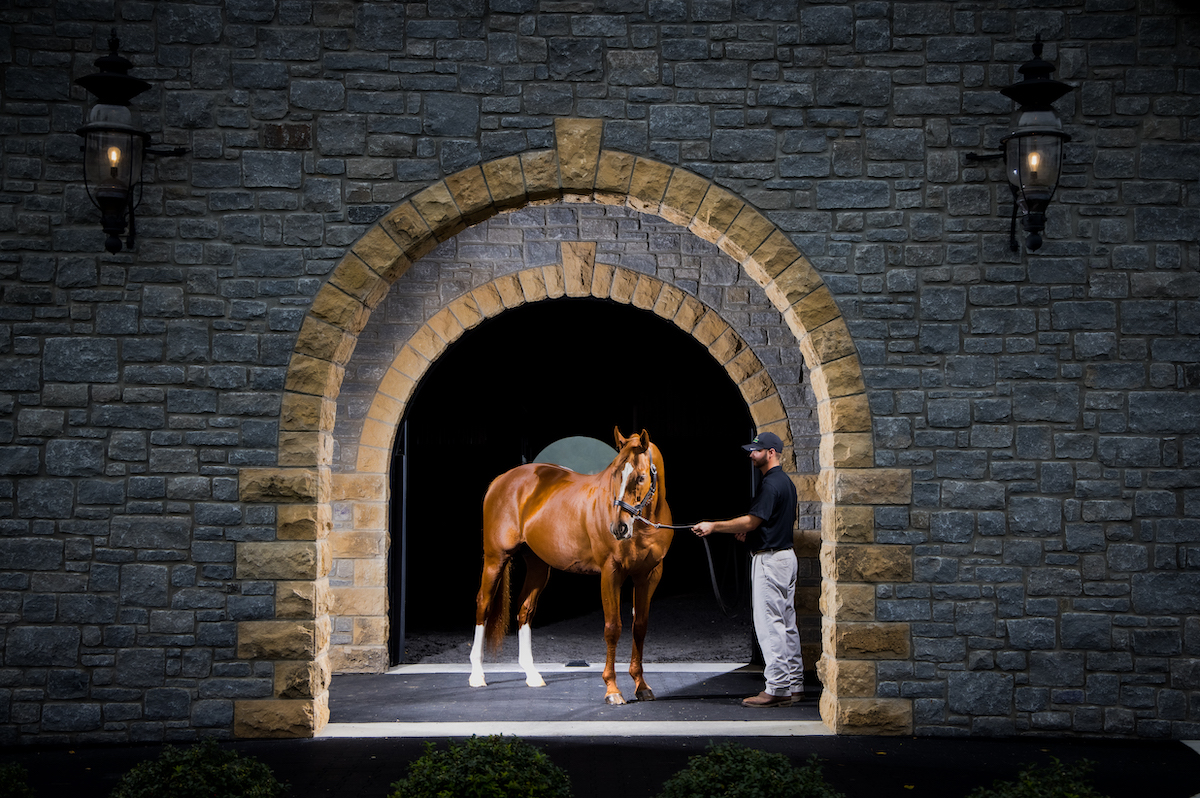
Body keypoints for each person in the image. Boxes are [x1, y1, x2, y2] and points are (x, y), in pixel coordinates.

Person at [692, 430, 802, 708]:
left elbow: (753, 521)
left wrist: (713, 526)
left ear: (771, 453)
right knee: (787, 624)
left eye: (756, 450)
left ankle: (777, 689)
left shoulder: (770, 485)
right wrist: (752, 535)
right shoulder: (786, 483)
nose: (751, 455)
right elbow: (770, 522)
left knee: (769, 625)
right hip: (786, 557)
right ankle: (794, 684)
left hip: (770, 562)